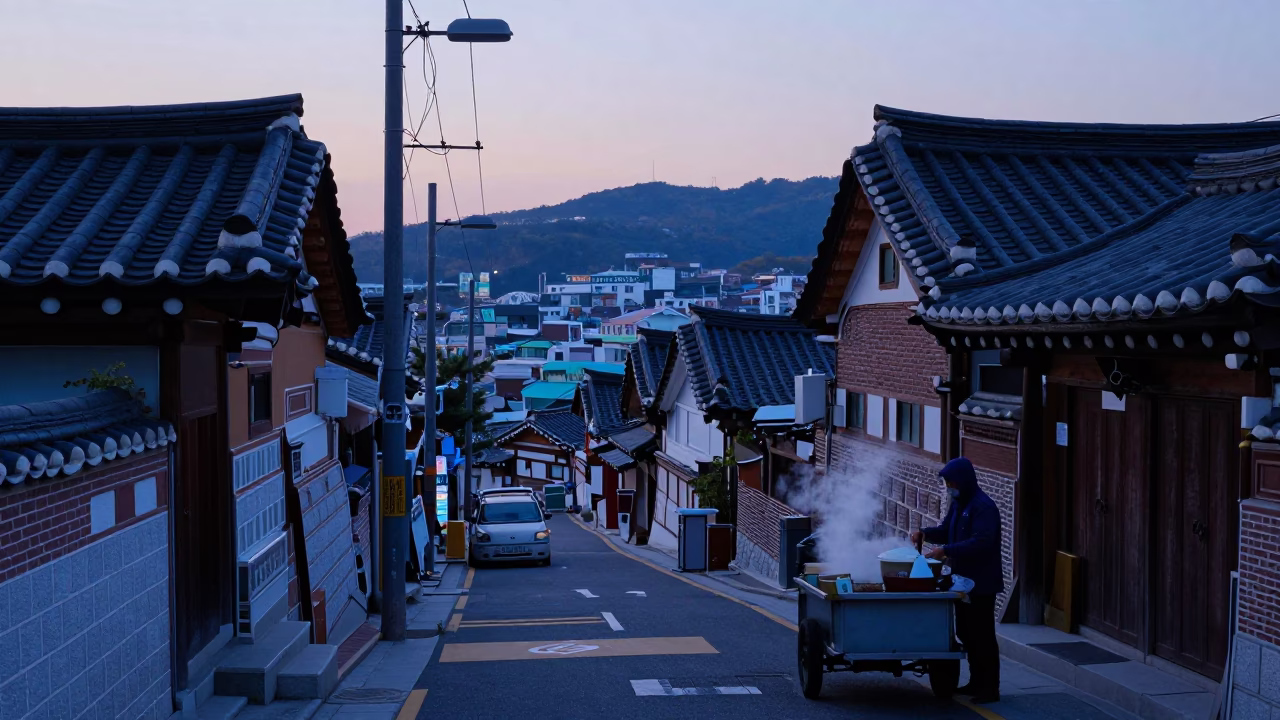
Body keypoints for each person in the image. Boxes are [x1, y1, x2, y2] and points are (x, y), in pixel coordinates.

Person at [911, 457, 1004, 704]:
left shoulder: (983, 507)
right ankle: (975, 682)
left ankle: (989, 688)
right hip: (961, 581)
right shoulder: (958, 503)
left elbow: (982, 542)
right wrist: (925, 533)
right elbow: (945, 530)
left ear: (964, 480)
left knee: (982, 635)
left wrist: (947, 551)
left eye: (951, 481)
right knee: (966, 632)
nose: (949, 486)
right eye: (946, 482)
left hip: (981, 583)